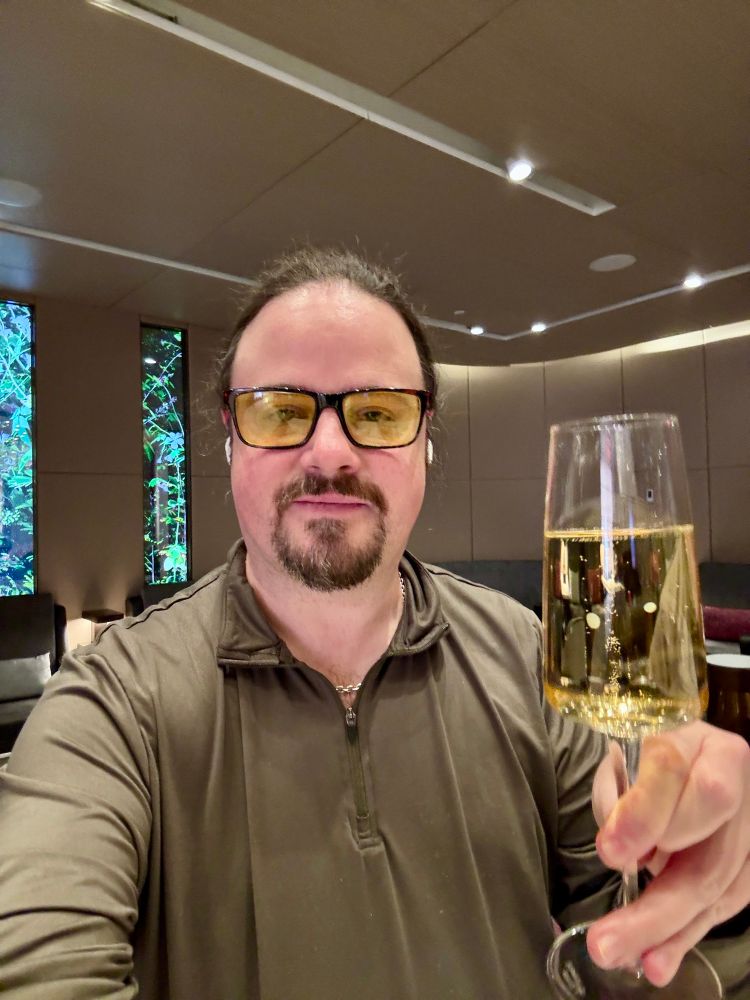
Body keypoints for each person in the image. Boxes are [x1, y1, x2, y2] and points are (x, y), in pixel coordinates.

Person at [0, 247, 747, 999]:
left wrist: (688, 881)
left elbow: (619, 940)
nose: (330, 452)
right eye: (280, 410)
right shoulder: (109, 705)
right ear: (229, 437)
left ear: (425, 442)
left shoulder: (530, 658)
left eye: (379, 413)